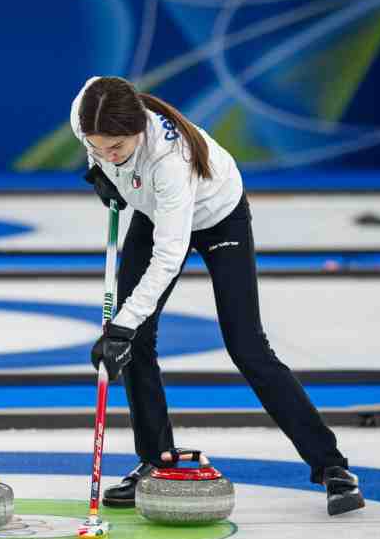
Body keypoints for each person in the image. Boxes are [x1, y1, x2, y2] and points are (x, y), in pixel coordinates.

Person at [70, 76, 364, 516]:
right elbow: (96, 107)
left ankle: (331, 467)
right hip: (157, 213)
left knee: (246, 346)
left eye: (117, 148)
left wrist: (121, 324)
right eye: (97, 146)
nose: (107, 154)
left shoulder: (170, 160)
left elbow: (168, 258)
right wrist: (102, 170)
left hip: (217, 216)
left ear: (139, 131)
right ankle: (156, 460)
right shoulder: (85, 112)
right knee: (136, 346)